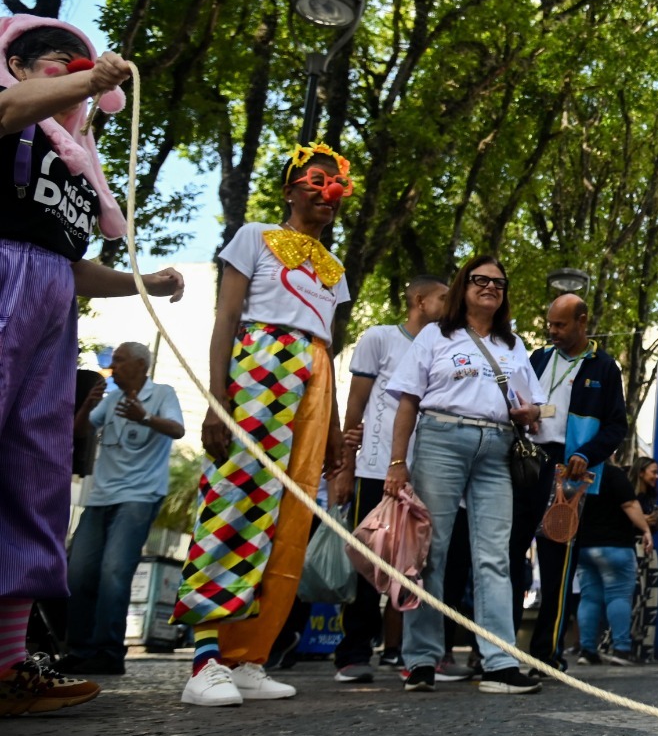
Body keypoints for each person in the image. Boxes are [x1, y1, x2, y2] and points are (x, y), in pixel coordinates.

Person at [0, 18, 184, 715]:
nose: (74, 88)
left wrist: (148, 282)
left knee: (34, 473)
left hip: (51, 305)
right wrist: (92, 73)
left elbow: (72, 266)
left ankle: (8, 665)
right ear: (14, 64)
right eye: (59, 68)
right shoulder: (12, 114)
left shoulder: (73, 159)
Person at [172, 143, 351, 707]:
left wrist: (334, 432)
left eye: (336, 183)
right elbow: (227, 317)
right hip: (262, 366)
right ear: (291, 189)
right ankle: (205, 657)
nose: (329, 192)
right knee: (237, 502)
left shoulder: (334, 269)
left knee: (290, 521)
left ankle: (248, 654)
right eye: (316, 179)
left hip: (315, 379)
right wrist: (217, 400)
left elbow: (327, 344)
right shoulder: (254, 236)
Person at [384, 256, 545, 694]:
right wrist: (397, 464)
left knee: (494, 555)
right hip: (440, 439)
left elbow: (540, 406)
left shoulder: (514, 345)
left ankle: (498, 662)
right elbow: (407, 401)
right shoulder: (437, 335)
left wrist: (533, 410)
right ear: (463, 286)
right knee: (430, 552)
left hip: (497, 449)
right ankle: (421, 660)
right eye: (480, 280)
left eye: (498, 282)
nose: (490, 287)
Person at [330, 274, 448, 682]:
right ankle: (353, 652)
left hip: (428, 473)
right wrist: (345, 465)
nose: (450, 305)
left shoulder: (447, 346)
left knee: (416, 564)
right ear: (418, 300)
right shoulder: (379, 338)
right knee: (370, 558)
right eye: (443, 298)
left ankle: (405, 652)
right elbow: (356, 404)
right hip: (376, 469)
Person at [58, 343, 184, 675]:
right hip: (100, 496)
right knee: (79, 571)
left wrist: (145, 417)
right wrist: (87, 404)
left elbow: (177, 429)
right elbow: (78, 431)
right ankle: (80, 649)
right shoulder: (111, 399)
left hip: (140, 496)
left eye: (119, 360)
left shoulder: (162, 393)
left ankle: (108, 652)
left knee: (114, 571)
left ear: (142, 365)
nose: (113, 365)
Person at [521, 293, 629, 672]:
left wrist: (587, 453)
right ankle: (499, 650)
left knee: (557, 568)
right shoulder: (536, 358)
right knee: (508, 556)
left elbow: (618, 425)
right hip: (525, 462)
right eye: (550, 324)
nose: (552, 331)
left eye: (560, 325)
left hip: (569, 473)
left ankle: (545, 654)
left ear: (582, 322)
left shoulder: (604, 367)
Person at [572, 459, 654, 665]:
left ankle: (587, 650)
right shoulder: (611, 474)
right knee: (618, 596)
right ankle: (621, 650)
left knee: (589, 597)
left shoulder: (574, 473)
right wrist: (645, 529)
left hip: (583, 546)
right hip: (615, 546)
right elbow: (630, 503)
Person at [629, 459, 658, 662]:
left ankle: (643, 650)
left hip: (647, 550)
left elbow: (651, 530)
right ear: (641, 472)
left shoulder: (648, 498)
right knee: (635, 597)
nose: (657, 477)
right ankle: (628, 647)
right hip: (635, 549)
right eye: (653, 472)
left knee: (649, 599)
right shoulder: (630, 497)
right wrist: (641, 521)